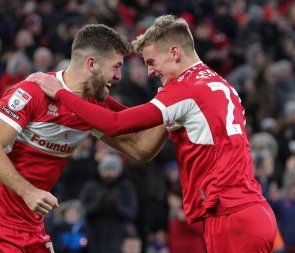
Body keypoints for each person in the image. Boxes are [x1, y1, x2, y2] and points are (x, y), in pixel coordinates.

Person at [27, 15, 277, 252]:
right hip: (246, 210)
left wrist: (62, 94)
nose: (150, 72)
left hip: (231, 215)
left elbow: (116, 124)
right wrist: (93, 99)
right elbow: (136, 128)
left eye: (151, 62)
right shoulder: (217, 83)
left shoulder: (185, 89)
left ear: (174, 53)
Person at [0, 24, 167, 253]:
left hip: (31, 227)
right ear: (92, 64)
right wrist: (28, 192)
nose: (119, 76)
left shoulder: (93, 105)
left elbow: (141, 150)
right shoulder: (31, 92)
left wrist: (169, 109)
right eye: (116, 67)